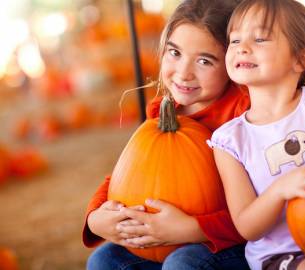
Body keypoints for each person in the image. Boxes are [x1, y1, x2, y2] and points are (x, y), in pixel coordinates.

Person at [83, 0, 251, 269]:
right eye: (175, 53)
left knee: (181, 263)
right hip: (164, 241)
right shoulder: (163, 112)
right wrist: (96, 218)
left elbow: (262, 209)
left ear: (232, 63)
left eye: (204, 61)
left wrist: (192, 229)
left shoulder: (244, 116)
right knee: (105, 260)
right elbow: (124, 175)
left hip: (233, 245)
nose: (184, 73)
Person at [208, 0, 305, 270]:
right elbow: (247, 226)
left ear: (300, 59)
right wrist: (280, 190)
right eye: (235, 40)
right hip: (284, 257)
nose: (242, 47)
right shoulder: (230, 140)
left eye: (260, 38)